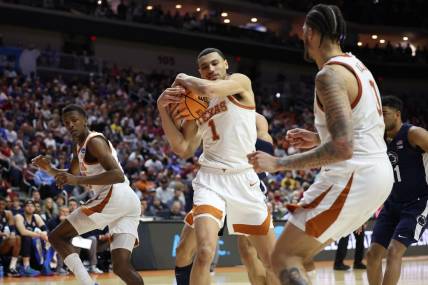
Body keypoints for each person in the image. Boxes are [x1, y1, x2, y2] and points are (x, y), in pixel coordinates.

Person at [247, 4, 393, 284]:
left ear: (311, 34)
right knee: (302, 256)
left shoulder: (329, 75)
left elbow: (343, 148)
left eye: (303, 30)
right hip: (374, 171)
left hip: (355, 174)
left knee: (283, 257)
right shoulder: (357, 65)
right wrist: (319, 139)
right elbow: (363, 129)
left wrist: (278, 164)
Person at [158, 48, 279, 285]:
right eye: (205, 67)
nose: (211, 70)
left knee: (271, 260)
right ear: (199, 71)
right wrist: (163, 109)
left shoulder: (240, 82)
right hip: (210, 180)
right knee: (204, 252)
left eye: (215, 64)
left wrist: (182, 78)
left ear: (226, 64)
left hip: (244, 179)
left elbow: (208, 88)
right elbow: (183, 148)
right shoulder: (197, 104)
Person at [32, 104, 143, 285]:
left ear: (85, 121)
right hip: (129, 202)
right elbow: (71, 174)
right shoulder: (80, 147)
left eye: (75, 120)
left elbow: (117, 175)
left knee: (56, 237)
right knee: (121, 267)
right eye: (66, 123)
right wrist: (49, 169)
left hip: (114, 196)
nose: (71, 125)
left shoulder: (94, 141)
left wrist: (75, 181)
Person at [170, 113, 275, 285]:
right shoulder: (203, 109)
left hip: (245, 184)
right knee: (185, 250)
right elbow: (186, 147)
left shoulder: (254, 118)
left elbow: (267, 154)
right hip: (213, 183)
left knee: (250, 253)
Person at [366, 96, 428, 285]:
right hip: (391, 203)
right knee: (372, 255)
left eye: (383, 113)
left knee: (394, 252)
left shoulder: (414, 134)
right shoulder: (377, 140)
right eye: (378, 114)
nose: (380, 118)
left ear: (397, 114)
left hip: (417, 203)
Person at [15, 200, 53, 276]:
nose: (30, 208)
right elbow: (23, 232)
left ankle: (45, 265)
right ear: (24, 208)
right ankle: (26, 267)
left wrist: (44, 234)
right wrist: (39, 235)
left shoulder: (36, 216)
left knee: (49, 238)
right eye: (28, 206)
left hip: (34, 244)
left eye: (32, 206)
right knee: (27, 237)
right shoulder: (19, 216)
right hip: (21, 244)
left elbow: (45, 229)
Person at [0, 196, 21, 277]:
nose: (1, 206)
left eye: (3, 204)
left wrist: (12, 234)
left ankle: (12, 266)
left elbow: (12, 229)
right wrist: (3, 234)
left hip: (4, 243)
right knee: (12, 238)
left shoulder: (8, 213)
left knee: (17, 238)